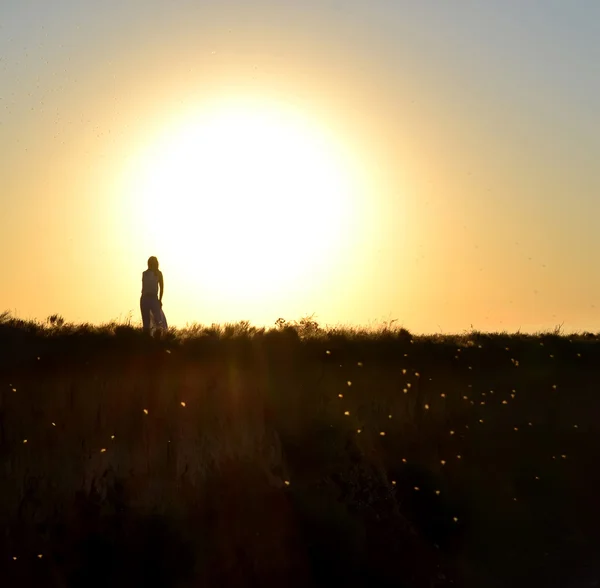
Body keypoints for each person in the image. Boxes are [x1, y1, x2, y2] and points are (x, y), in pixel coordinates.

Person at [140, 256, 168, 333]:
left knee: (158, 320)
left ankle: (158, 337)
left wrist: (160, 299)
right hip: (145, 298)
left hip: (154, 298)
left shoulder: (159, 274)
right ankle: (147, 338)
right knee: (146, 321)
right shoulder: (145, 273)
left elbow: (161, 288)